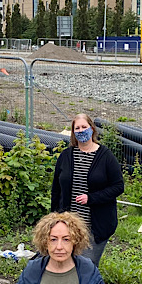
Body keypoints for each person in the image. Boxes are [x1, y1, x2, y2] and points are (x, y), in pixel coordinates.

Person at [50, 113, 124, 266]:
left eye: (84, 127)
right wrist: (54, 217)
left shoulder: (105, 156)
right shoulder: (66, 156)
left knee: (87, 265)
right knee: (67, 262)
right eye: (77, 128)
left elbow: (118, 186)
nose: (81, 131)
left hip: (95, 225)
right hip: (69, 224)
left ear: (92, 129)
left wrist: (91, 198)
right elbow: (56, 189)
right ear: (73, 132)